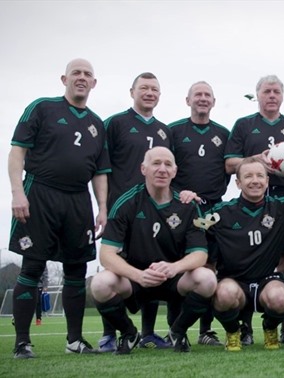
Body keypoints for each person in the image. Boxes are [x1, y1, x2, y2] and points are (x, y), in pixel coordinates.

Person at [9, 58, 109, 358]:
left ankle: (75, 340)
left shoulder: (96, 124)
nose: (81, 78)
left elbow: (99, 172)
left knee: (77, 268)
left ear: (94, 83)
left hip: (78, 200)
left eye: (87, 74)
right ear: (63, 79)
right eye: (75, 73)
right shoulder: (42, 108)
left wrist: (102, 208)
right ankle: (22, 342)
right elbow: (17, 152)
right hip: (40, 193)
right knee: (33, 266)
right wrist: (17, 192)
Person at [90, 147, 217, 354]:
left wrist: (174, 267)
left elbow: (200, 254)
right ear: (143, 168)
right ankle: (129, 333)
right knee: (100, 284)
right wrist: (138, 275)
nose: (162, 169)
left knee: (207, 279)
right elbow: (106, 254)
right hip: (136, 278)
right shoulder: (124, 203)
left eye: (168, 164)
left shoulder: (188, 205)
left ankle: (178, 331)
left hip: (173, 278)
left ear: (175, 171)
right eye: (156, 163)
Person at [224, 75, 284, 345]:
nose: (272, 95)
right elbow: (230, 163)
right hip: (253, 200)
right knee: (248, 260)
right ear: (258, 95)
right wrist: (261, 160)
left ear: (282, 96)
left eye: (276, 91)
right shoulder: (244, 126)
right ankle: (245, 327)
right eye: (267, 91)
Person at [99, 72, 174, 352]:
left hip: (153, 212)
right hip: (122, 211)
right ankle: (110, 333)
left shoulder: (165, 130)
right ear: (132, 91)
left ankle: (148, 333)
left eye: (154, 89)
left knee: (152, 264)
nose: (149, 93)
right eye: (144, 88)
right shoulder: (115, 124)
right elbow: (102, 168)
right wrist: (103, 206)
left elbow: (170, 171)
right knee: (114, 269)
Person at [207, 157, 284, 351]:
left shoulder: (280, 207)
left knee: (280, 298)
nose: (255, 180)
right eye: (248, 176)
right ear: (238, 183)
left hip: (267, 279)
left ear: (267, 181)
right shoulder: (220, 212)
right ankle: (233, 331)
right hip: (234, 281)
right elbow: (195, 227)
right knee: (224, 294)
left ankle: (270, 327)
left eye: (260, 176)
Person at [168, 81, 231, 347]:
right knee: (177, 267)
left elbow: (229, 169)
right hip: (180, 208)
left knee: (209, 267)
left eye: (207, 95)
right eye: (198, 95)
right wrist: (178, 193)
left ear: (214, 102)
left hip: (212, 209)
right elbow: (166, 168)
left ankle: (205, 330)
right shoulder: (173, 131)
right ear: (188, 100)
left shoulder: (223, 133)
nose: (202, 99)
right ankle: (171, 329)